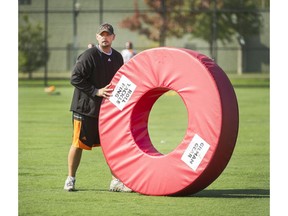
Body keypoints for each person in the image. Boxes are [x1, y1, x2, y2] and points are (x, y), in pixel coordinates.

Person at [64, 23, 132, 192]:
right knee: (77, 144)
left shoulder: (117, 57)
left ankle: (116, 181)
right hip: (84, 108)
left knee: (111, 146)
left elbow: (120, 82)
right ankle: (70, 179)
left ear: (113, 37)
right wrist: (96, 91)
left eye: (108, 34)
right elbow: (75, 78)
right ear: (97, 37)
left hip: (106, 111)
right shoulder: (89, 55)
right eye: (101, 34)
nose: (104, 37)